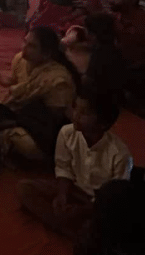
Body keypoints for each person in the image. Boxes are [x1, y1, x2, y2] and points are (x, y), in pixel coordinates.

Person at [16, 90, 132, 237]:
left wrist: (84, 210)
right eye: (75, 108)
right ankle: (70, 228)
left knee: (109, 222)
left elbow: (114, 199)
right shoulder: (66, 133)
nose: (75, 115)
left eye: (84, 113)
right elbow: (63, 167)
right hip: (73, 190)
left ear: (102, 124)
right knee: (24, 188)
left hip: (97, 203)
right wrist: (62, 195)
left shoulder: (120, 154)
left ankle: (71, 227)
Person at [0, 26, 79, 162]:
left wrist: (16, 120)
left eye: (32, 46)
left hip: (43, 132)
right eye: (25, 42)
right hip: (20, 116)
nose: (24, 48)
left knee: (27, 145)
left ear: (46, 54)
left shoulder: (58, 80)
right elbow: (13, 88)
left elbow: (56, 121)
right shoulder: (20, 60)